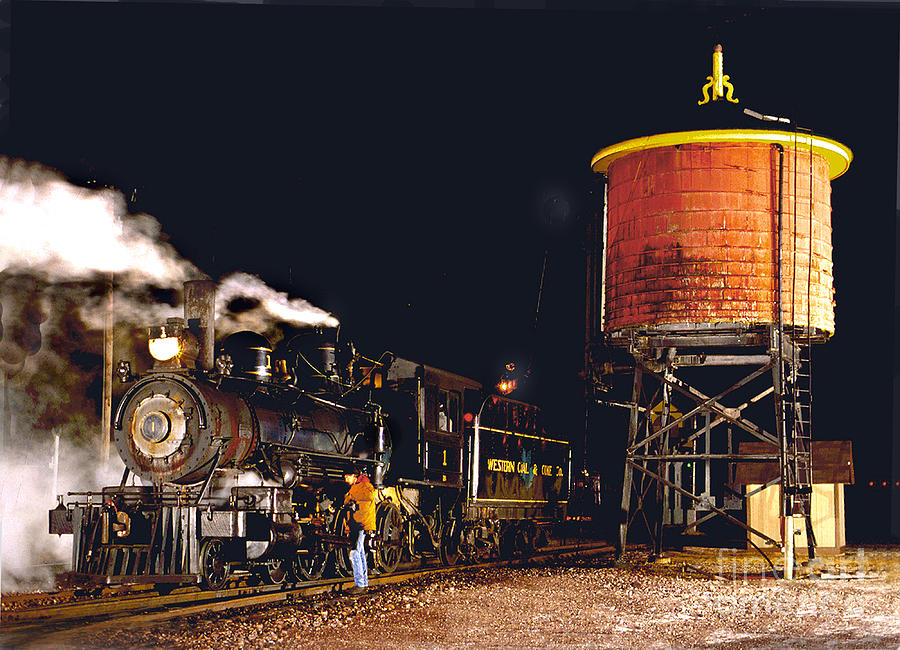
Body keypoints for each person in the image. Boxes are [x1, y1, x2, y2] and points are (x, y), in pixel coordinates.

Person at [343, 464, 375, 593]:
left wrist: (348, 503)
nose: (346, 480)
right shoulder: (365, 487)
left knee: (354, 553)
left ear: (353, 476)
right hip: (360, 524)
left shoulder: (360, 488)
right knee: (360, 552)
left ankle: (360, 584)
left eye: (347, 477)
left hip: (358, 525)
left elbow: (353, 503)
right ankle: (363, 583)